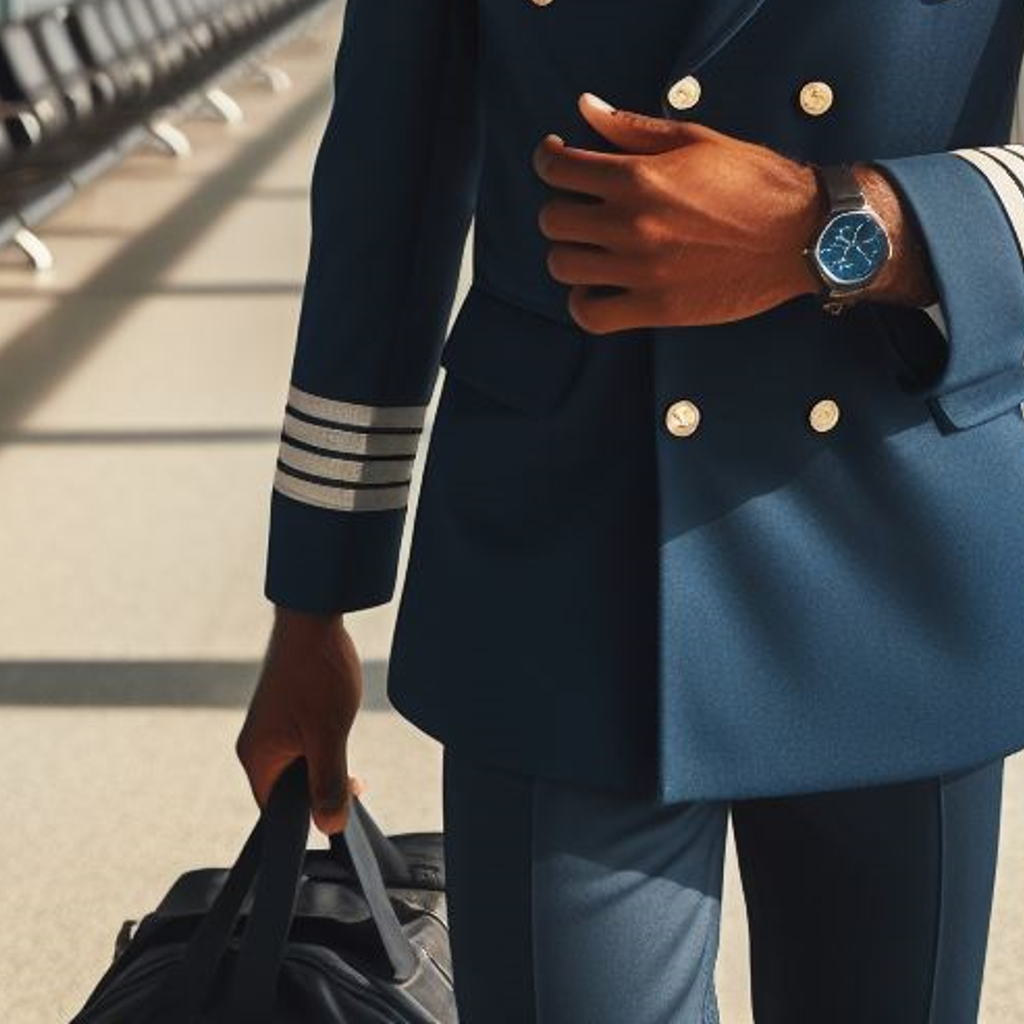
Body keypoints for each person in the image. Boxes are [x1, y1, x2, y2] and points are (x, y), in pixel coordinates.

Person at [235, 0, 1024, 1018]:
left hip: (894, 537)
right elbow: (387, 191)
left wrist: (837, 223)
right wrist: (313, 594)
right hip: (566, 547)